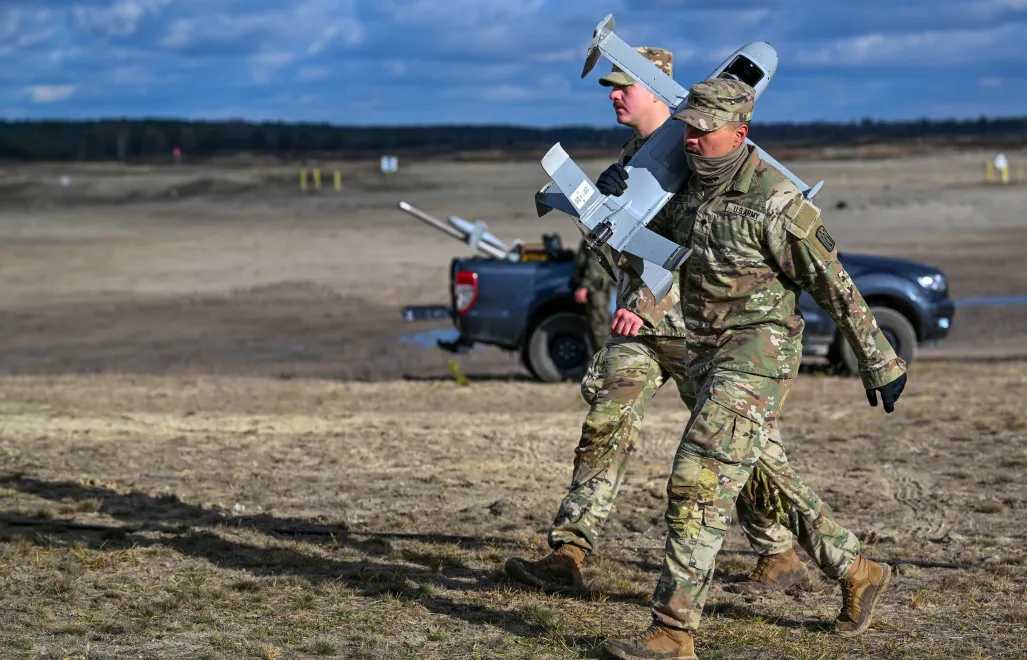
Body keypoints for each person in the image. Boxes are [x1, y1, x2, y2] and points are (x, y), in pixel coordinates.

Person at [594, 78, 907, 660]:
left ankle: (672, 633)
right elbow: (647, 264)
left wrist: (879, 358)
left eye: (705, 130)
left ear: (740, 132)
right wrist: (616, 202)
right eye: (687, 126)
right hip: (704, 355)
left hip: (758, 357)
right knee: (767, 480)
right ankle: (857, 570)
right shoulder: (683, 191)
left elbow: (832, 283)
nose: (691, 138)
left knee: (697, 478)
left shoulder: (775, 200)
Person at [505, 49, 806, 601]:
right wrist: (602, 219)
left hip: (695, 331)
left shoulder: (701, 152)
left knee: (747, 452)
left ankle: (780, 548)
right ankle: (569, 551)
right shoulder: (632, 159)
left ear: (657, 86)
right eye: (611, 88)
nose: (614, 95)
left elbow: (703, 255)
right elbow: (618, 258)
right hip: (639, 334)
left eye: (624, 86)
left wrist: (646, 299)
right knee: (605, 423)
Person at [572, 236, 614, 352]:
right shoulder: (595, 233)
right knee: (595, 329)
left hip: (597, 290)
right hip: (596, 287)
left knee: (599, 329)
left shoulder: (603, 233)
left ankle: (604, 363)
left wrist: (585, 286)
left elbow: (597, 263)